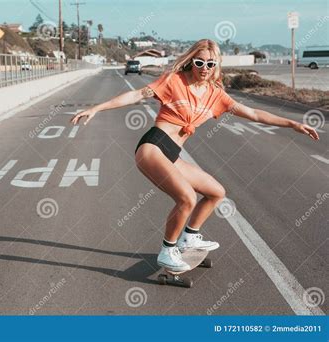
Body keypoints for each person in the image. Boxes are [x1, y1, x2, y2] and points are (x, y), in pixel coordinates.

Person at [70, 39, 319, 272]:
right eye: (199, 62)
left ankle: (189, 237)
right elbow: (137, 95)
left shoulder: (216, 95)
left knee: (216, 192)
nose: (204, 68)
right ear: (191, 61)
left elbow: (253, 114)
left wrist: (292, 124)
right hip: (153, 147)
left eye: (210, 64)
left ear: (216, 66)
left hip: (172, 154)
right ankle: (168, 251)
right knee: (187, 198)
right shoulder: (174, 80)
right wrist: (96, 108)